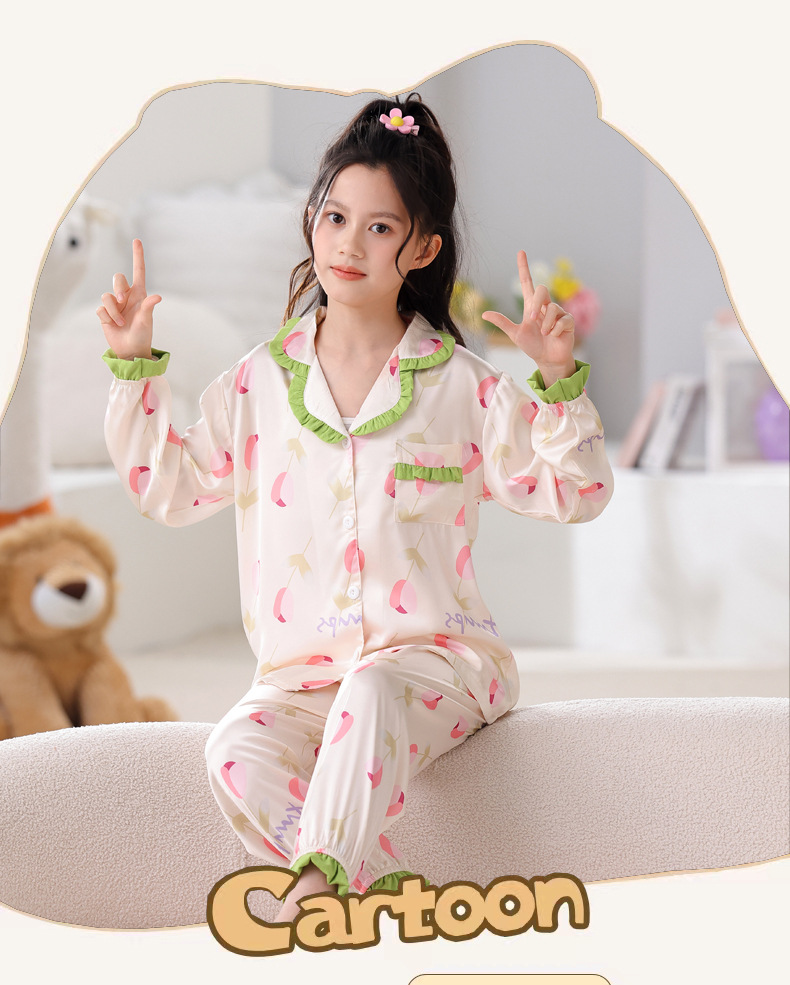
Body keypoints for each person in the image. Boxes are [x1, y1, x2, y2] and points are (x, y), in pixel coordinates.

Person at [97, 94, 613, 923]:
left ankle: (316, 891)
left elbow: (576, 491)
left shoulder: (462, 386)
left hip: (441, 664)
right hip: (303, 676)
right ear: (312, 219)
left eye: (379, 227)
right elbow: (171, 487)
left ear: (424, 248)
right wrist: (133, 369)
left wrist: (555, 379)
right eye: (335, 216)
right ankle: (390, 902)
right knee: (233, 746)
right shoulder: (259, 383)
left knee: (373, 685)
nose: (348, 242)